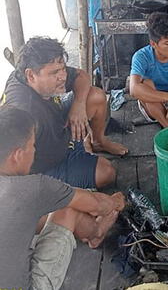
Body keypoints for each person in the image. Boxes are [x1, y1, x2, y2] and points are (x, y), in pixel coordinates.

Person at [0, 106, 125, 290]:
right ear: (17, 155)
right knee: (67, 209)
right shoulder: (34, 187)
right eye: (32, 146)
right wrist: (115, 201)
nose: (35, 151)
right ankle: (96, 232)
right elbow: (98, 205)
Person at [2, 36, 126, 189]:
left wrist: (79, 105)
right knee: (107, 173)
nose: (63, 76)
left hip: (59, 129)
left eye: (63, 69)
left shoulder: (23, 75)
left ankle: (97, 142)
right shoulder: (24, 112)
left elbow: (81, 75)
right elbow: (11, 165)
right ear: (31, 75)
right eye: (54, 73)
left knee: (95, 96)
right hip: (46, 165)